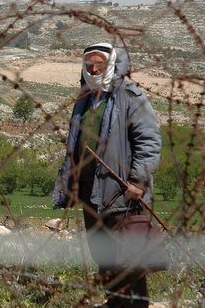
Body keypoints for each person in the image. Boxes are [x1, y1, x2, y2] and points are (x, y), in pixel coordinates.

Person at [53, 42, 162, 308]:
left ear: (111, 64)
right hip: (90, 193)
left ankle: (136, 304)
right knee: (103, 254)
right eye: (89, 63)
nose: (93, 68)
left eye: (99, 63)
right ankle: (114, 302)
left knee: (129, 254)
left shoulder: (130, 95)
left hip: (121, 192)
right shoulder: (85, 98)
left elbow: (149, 141)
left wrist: (138, 181)